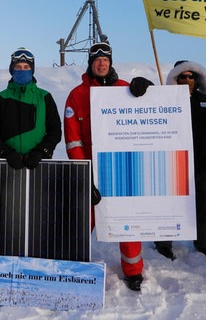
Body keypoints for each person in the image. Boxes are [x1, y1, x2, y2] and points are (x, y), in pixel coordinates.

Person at [63, 42, 148, 292]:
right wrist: (84, 175)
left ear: (111, 63)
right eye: (97, 59)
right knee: (82, 221)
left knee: (127, 220)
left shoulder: (125, 89)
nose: (102, 63)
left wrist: (148, 90)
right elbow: (73, 139)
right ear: (90, 63)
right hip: (91, 170)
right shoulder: (77, 95)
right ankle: (71, 266)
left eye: (106, 59)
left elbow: (154, 112)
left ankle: (133, 270)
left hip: (123, 168)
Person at [137, 60, 206, 260]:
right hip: (171, 160)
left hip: (203, 160)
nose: (187, 80)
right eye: (182, 76)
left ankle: (203, 244)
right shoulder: (164, 100)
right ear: (175, 79)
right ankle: (163, 243)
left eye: (190, 76)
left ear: (197, 79)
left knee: (203, 204)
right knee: (168, 204)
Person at [0, 48, 62, 169]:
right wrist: (5, 153)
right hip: (8, 165)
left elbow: (55, 130)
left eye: (26, 67)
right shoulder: (0, 98)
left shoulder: (44, 97)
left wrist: (41, 152)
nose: (22, 70)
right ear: (12, 70)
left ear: (32, 70)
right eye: (18, 67)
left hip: (39, 165)